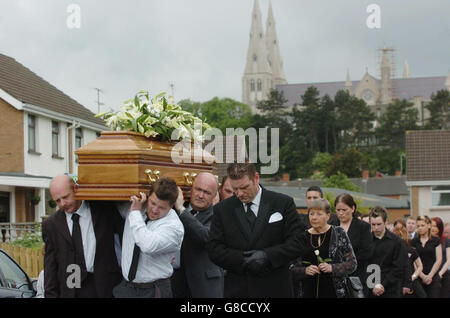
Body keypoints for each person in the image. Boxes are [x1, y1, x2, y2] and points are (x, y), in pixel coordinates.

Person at [206, 162, 304, 298]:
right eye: (235, 189)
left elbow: (298, 242)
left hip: (276, 288)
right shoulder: (222, 209)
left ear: (256, 178)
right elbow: (214, 249)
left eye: (244, 187)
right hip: (238, 290)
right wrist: (243, 260)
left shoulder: (282, 203)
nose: (239, 194)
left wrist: (267, 256)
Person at [42, 175, 124, 298]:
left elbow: (126, 236)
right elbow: (50, 267)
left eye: (65, 197)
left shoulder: (103, 209)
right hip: (72, 288)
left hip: (106, 286)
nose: (62, 204)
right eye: (57, 201)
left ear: (76, 189)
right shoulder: (51, 225)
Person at [113, 177, 184, 298]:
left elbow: (147, 245)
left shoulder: (174, 227)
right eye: (153, 203)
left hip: (154, 290)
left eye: (162, 207)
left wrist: (135, 213)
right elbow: (116, 201)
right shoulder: (140, 207)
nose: (155, 210)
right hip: (127, 288)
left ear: (171, 206)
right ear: (148, 196)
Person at [171, 172, 224, 298]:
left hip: (204, 285)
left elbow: (205, 236)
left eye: (207, 192)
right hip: (176, 282)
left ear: (214, 196)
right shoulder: (173, 210)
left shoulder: (220, 216)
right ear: (191, 188)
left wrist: (182, 210)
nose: (200, 195)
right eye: (198, 189)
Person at [292, 199, 357, 298]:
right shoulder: (301, 236)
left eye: (319, 214)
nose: (314, 218)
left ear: (328, 216)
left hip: (334, 292)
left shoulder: (339, 233)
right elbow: (290, 267)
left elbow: (352, 264)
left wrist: (332, 268)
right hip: (307, 291)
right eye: (311, 214)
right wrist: (304, 270)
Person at [334, 193, 373, 296]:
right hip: (335, 277)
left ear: (352, 208)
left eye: (344, 210)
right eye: (338, 210)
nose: (341, 213)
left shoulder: (363, 227)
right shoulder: (331, 225)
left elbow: (367, 252)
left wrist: (346, 264)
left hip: (356, 276)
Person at [368, 206, 407, 298]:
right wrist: (373, 286)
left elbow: (398, 267)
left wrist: (382, 285)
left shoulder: (397, 241)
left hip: (392, 288)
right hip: (371, 288)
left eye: (379, 224)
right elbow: (364, 264)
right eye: (373, 224)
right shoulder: (366, 241)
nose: (376, 227)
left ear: (386, 222)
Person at [410, 215, 442, 298]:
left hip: (433, 276)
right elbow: (413, 261)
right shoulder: (414, 242)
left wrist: (430, 276)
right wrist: (422, 276)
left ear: (428, 226)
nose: (420, 228)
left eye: (422, 225)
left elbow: (439, 259)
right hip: (418, 276)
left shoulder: (436, 240)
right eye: (418, 226)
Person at [392, 227, 426, 298]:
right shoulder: (390, 251)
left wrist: (413, 276)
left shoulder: (411, 250)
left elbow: (420, 266)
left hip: (411, 280)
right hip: (396, 281)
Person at [431, 217, 450, 298]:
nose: (433, 228)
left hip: (443, 274)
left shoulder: (446, 241)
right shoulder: (425, 241)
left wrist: (440, 273)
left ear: (440, 228)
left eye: (435, 226)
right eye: (431, 225)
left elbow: (449, 259)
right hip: (429, 275)